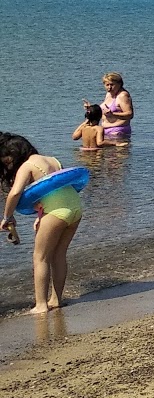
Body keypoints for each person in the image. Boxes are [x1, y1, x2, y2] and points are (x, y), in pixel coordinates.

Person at [1, 134, 84, 314]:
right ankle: (56, 299)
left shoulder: (27, 166)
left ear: (13, 155)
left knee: (40, 258)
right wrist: (40, 216)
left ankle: (41, 305)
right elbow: (54, 187)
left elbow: (15, 194)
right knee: (59, 255)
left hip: (55, 212)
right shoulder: (52, 160)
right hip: (75, 208)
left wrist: (7, 217)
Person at [92, 72, 134, 147]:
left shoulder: (123, 96)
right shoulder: (109, 94)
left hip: (118, 131)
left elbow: (130, 114)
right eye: (107, 85)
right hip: (105, 130)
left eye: (112, 84)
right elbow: (104, 110)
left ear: (119, 84)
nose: (109, 87)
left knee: (117, 157)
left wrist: (113, 114)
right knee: (106, 156)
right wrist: (91, 109)